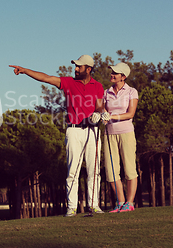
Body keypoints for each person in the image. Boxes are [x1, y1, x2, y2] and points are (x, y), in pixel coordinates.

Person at [10, 55, 105, 217]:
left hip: (93, 131)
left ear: (88, 69)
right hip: (73, 130)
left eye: (79, 67)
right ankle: (72, 207)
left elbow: (99, 107)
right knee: (72, 171)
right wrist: (25, 71)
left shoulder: (98, 86)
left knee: (93, 170)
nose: (75, 69)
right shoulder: (68, 82)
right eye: (75, 66)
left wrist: (100, 114)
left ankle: (94, 205)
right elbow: (46, 78)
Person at [102, 62, 139, 212]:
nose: (112, 74)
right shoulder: (106, 92)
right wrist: (103, 114)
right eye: (112, 72)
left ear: (123, 76)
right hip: (109, 134)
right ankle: (120, 202)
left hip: (126, 133)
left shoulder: (131, 92)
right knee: (111, 171)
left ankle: (129, 203)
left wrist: (111, 116)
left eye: (115, 73)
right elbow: (102, 109)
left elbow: (131, 113)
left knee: (130, 169)